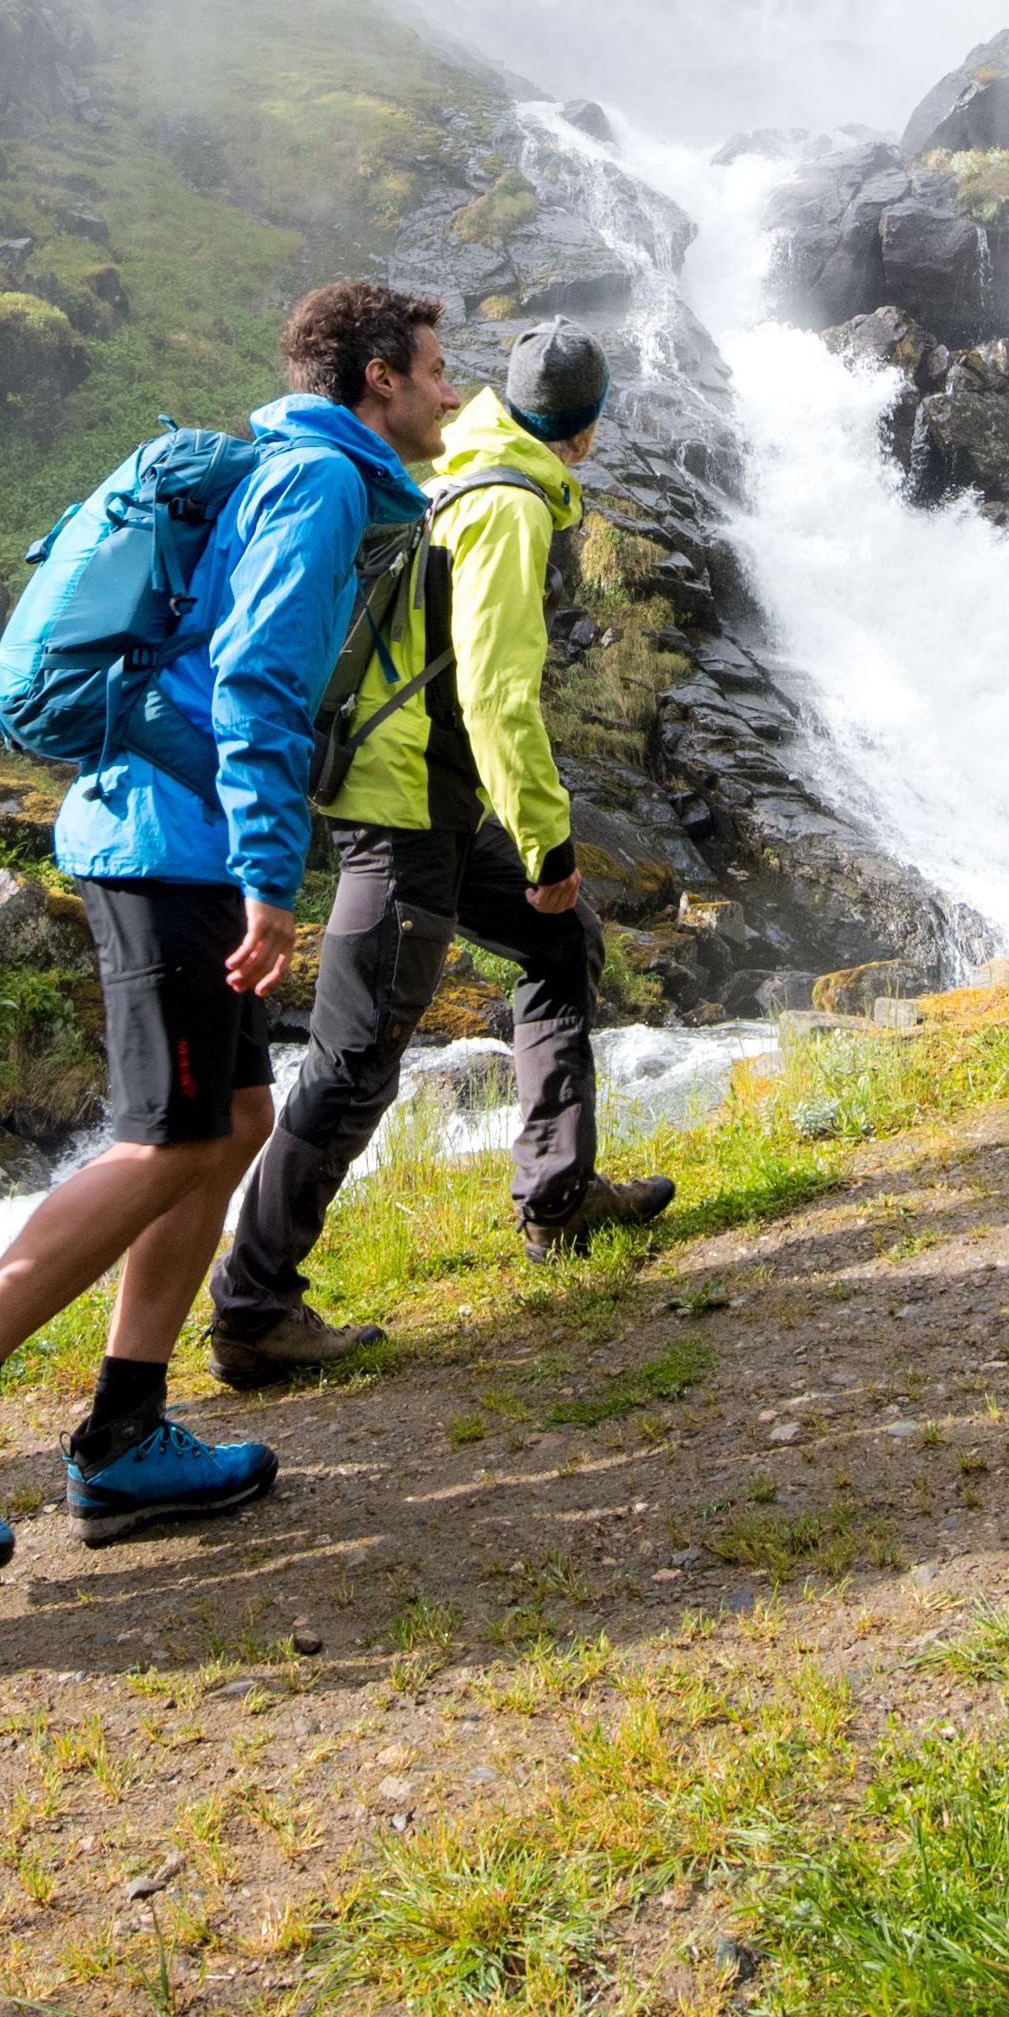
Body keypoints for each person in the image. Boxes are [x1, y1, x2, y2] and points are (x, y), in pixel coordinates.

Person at [0, 279, 438, 1570]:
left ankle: (127, 1434)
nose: (449, 390)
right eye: (436, 367)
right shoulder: (317, 487)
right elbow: (260, 681)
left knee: (236, 1121)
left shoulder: (298, 474)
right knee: (166, 1141)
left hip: (166, 830)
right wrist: (273, 877)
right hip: (178, 847)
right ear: (377, 375)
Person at [209, 317, 670, 1385]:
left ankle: (559, 1196)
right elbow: (498, 693)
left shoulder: (465, 468)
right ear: (589, 428)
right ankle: (253, 1303)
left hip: (431, 803)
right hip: (405, 812)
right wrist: (550, 841)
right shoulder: (507, 505)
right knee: (357, 1055)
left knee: (562, 948)